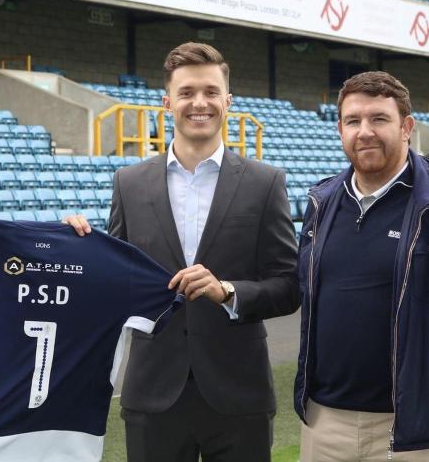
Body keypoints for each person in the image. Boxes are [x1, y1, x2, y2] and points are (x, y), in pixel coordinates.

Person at [68, 42, 299, 462]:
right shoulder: (129, 182)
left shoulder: (265, 183)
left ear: (228, 101)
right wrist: (77, 245)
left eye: (211, 92)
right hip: (152, 392)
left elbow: (288, 286)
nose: (200, 103)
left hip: (239, 395)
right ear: (167, 101)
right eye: (187, 92)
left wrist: (228, 291)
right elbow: (116, 282)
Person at [294, 71, 429, 461]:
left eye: (379, 119)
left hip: (415, 434)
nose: (365, 131)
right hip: (325, 424)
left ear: (406, 126)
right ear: (340, 129)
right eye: (353, 120)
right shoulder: (322, 204)